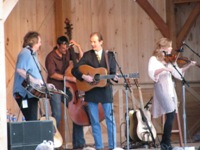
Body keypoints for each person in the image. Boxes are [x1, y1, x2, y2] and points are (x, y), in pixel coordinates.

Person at [71, 32, 118, 150]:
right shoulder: (87, 55)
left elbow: (112, 73)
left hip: (105, 90)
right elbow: (75, 70)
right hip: (91, 91)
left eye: (95, 42)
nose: (92, 44)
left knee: (110, 120)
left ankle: (112, 147)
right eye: (91, 41)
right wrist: (84, 76)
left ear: (101, 42)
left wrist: (115, 77)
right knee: (94, 121)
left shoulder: (110, 56)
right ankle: (99, 147)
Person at [148, 37, 196, 150]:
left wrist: (188, 66)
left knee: (171, 113)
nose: (171, 48)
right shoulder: (154, 59)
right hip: (161, 87)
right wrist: (164, 70)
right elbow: (151, 72)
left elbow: (177, 74)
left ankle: (165, 143)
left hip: (170, 89)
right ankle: (165, 142)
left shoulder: (169, 60)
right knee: (171, 111)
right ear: (163, 47)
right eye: (169, 46)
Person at [45, 36, 85, 149]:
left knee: (76, 111)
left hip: (67, 88)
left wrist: (78, 47)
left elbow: (80, 59)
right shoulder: (50, 57)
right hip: (55, 88)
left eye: (66, 48)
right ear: (58, 46)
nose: (65, 50)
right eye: (63, 48)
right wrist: (68, 78)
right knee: (57, 114)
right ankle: (53, 142)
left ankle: (79, 142)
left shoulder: (68, 51)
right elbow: (52, 74)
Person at [13, 31, 44, 121]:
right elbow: (20, 69)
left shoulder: (32, 54)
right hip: (24, 94)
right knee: (31, 120)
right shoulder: (25, 53)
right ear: (34, 42)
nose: (40, 44)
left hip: (31, 93)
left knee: (32, 120)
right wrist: (35, 80)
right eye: (39, 42)